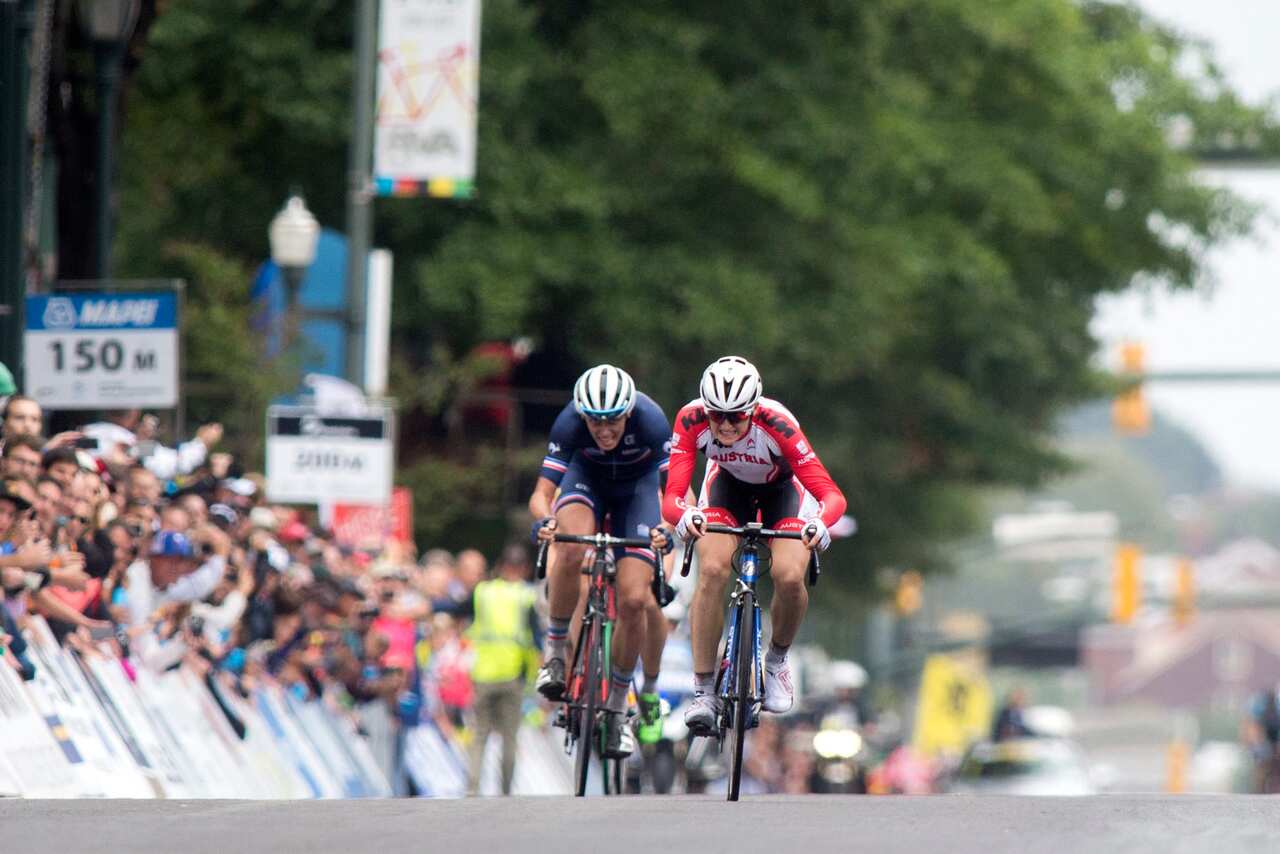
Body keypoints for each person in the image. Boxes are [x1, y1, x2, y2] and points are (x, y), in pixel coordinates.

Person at [661, 356, 846, 734]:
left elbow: (832, 496)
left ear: (753, 410)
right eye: (717, 415)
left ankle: (776, 663)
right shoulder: (691, 419)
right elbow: (673, 496)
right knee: (712, 570)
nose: (726, 425)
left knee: (789, 576)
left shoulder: (777, 424)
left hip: (783, 493)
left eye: (736, 416)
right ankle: (703, 691)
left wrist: (820, 524)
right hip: (726, 489)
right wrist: (684, 515)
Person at [529, 364, 672, 759]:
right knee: (571, 547)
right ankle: (556, 654)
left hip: (638, 491)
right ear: (582, 416)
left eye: (613, 422)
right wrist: (545, 520)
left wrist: (669, 526)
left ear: (629, 413)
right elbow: (541, 495)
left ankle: (620, 707)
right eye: (595, 423)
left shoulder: (652, 420)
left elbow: (677, 492)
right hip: (587, 480)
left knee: (635, 600)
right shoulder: (569, 422)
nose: (604, 431)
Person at [465, 544, 539, 796]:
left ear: (500, 565)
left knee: (479, 735)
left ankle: (472, 788)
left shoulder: (482, 592)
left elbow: (457, 609)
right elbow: (536, 638)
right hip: (513, 675)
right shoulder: (526, 595)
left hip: (483, 674)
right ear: (525, 568)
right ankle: (505, 792)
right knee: (509, 737)